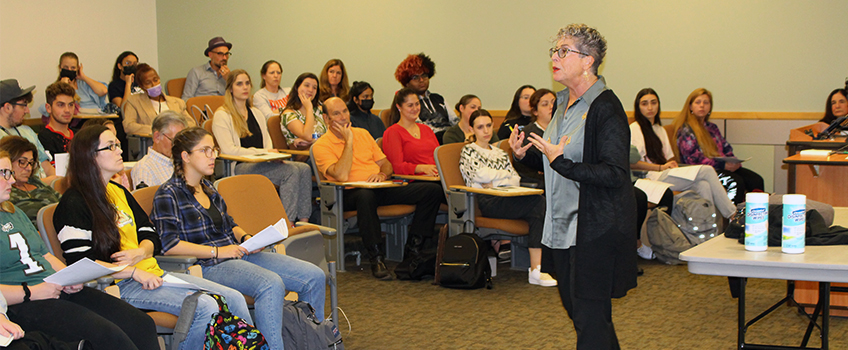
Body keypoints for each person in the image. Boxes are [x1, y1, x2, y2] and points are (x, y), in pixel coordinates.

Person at [53, 125, 252, 350]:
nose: (120, 151)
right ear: (90, 156)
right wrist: (133, 271)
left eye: (118, 144)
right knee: (206, 306)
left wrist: (142, 251)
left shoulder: (118, 192)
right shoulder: (73, 203)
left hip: (153, 273)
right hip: (120, 284)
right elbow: (81, 263)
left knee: (232, 297)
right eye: (111, 146)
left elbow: (150, 233)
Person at [510, 24, 636, 349]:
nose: (554, 56)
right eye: (554, 50)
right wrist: (525, 156)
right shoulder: (562, 103)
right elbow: (554, 164)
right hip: (561, 229)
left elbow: (614, 173)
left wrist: (560, 161)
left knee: (590, 320)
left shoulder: (605, 108)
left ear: (587, 61)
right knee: (584, 318)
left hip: (592, 230)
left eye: (564, 50)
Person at [151, 127, 326, 349]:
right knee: (271, 284)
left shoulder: (208, 188)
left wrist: (246, 237)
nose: (213, 156)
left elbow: (229, 223)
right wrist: (218, 251)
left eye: (213, 149)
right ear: (185, 156)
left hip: (235, 253)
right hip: (205, 264)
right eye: (204, 150)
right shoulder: (168, 193)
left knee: (314, 276)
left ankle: (310, 343)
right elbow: (169, 245)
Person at [0, 149, 160, 350]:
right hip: (23, 302)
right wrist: (32, 292)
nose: (12, 180)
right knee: (107, 336)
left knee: (140, 324)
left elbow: (45, 254)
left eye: (9, 173)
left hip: (53, 288)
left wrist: (67, 278)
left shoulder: (14, 212)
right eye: (4, 173)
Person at [313, 97, 444, 280]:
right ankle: (377, 257)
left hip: (378, 187)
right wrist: (348, 142)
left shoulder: (363, 134)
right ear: (326, 119)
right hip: (346, 193)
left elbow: (386, 164)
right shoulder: (321, 145)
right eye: (336, 114)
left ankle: (413, 249)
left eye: (345, 111)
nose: (343, 117)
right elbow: (341, 176)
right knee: (365, 196)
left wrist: (382, 174)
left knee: (431, 191)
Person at [459, 109, 554, 286]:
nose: (486, 131)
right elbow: (478, 176)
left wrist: (494, 179)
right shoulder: (468, 152)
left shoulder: (500, 152)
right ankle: (536, 269)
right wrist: (500, 178)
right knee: (538, 204)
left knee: (538, 207)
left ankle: (537, 268)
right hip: (488, 201)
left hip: (508, 195)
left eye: (488, 125)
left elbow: (514, 178)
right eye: (480, 127)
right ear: (472, 129)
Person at [212, 70, 313, 222]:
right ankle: (287, 222)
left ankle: (304, 221)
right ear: (230, 89)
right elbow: (229, 150)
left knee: (304, 168)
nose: (245, 87)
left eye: (247, 83)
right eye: (239, 84)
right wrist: (263, 153)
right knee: (290, 171)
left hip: (263, 163)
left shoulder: (256, 112)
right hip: (240, 165)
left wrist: (270, 156)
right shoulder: (222, 115)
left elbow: (267, 143)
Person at [630, 88, 736, 217]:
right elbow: (633, 163)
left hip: (664, 173)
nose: (650, 107)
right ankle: (733, 214)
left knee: (704, 185)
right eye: (644, 104)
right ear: (638, 107)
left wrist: (671, 165)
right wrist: (659, 167)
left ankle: (708, 228)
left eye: (654, 102)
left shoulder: (659, 129)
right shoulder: (634, 129)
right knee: (707, 170)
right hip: (649, 177)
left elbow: (668, 158)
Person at [672, 88, 764, 204]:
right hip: (704, 170)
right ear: (690, 107)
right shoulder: (686, 129)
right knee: (736, 182)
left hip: (722, 167)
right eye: (698, 102)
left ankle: (754, 214)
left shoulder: (712, 127)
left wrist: (734, 162)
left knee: (756, 180)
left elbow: (726, 148)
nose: (702, 106)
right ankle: (731, 217)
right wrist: (722, 165)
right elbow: (692, 159)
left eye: (706, 103)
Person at [394, 53, 457, 143]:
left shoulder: (438, 98)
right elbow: (417, 128)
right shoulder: (406, 102)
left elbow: (454, 121)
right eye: (415, 77)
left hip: (449, 139)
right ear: (406, 82)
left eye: (424, 75)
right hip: (426, 141)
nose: (421, 80)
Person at [0, 79, 56, 179]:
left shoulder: (27, 131)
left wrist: (57, 181)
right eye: (23, 105)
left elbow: (46, 166)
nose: (27, 111)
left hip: (43, 186)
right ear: (7, 107)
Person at [0, 136, 60, 226]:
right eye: (22, 162)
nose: (29, 168)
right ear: (8, 161)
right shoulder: (5, 192)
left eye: (31, 163)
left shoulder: (35, 181)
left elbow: (65, 203)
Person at [122, 64, 196, 136]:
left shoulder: (178, 102)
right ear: (142, 87)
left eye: (155, 80)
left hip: (178, 141)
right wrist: (158, 130)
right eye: (148, 83)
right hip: (152, 141)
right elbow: (129, 126)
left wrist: (175, 130)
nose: (154, 84)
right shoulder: (134, 101)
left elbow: (191, 123)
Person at [382, 88, 439, 176]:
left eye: (417, 104)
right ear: (399, 107)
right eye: (410, 105)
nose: (415, 108)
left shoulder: (426, 129)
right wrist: (421, 168)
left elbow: (438, 157)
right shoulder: (392, 132)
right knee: (436, 188)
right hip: (411, 180)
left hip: (434, 177)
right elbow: (397, 166)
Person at [130, 111, 187, 188]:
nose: (180, 146)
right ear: (157, 137)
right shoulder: (144, 169)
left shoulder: (181, 161)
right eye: (174, 141)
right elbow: (146, 199)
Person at [515, 89, 556, 188]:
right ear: (535, 111)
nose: (551, 107)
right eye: (545, 104)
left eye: (554, 103)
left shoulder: (564, 129)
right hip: (537, 182)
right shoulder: (528, 134)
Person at [280, 73, 326, 148]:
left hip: (324, 148)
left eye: (314, 87)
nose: (311, 90)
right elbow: (308, 135)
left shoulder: (319, 109)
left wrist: (314, 139)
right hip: (304, 155)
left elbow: (330, 133)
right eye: (307, 85)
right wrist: (309, 109)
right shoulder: (289, 114)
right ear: (297, 87)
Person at [38, 82, 76, 162]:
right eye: (61, 105)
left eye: (70, 105)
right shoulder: (44, 138)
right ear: (48, 108)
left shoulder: (79, 135)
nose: (67, 110)